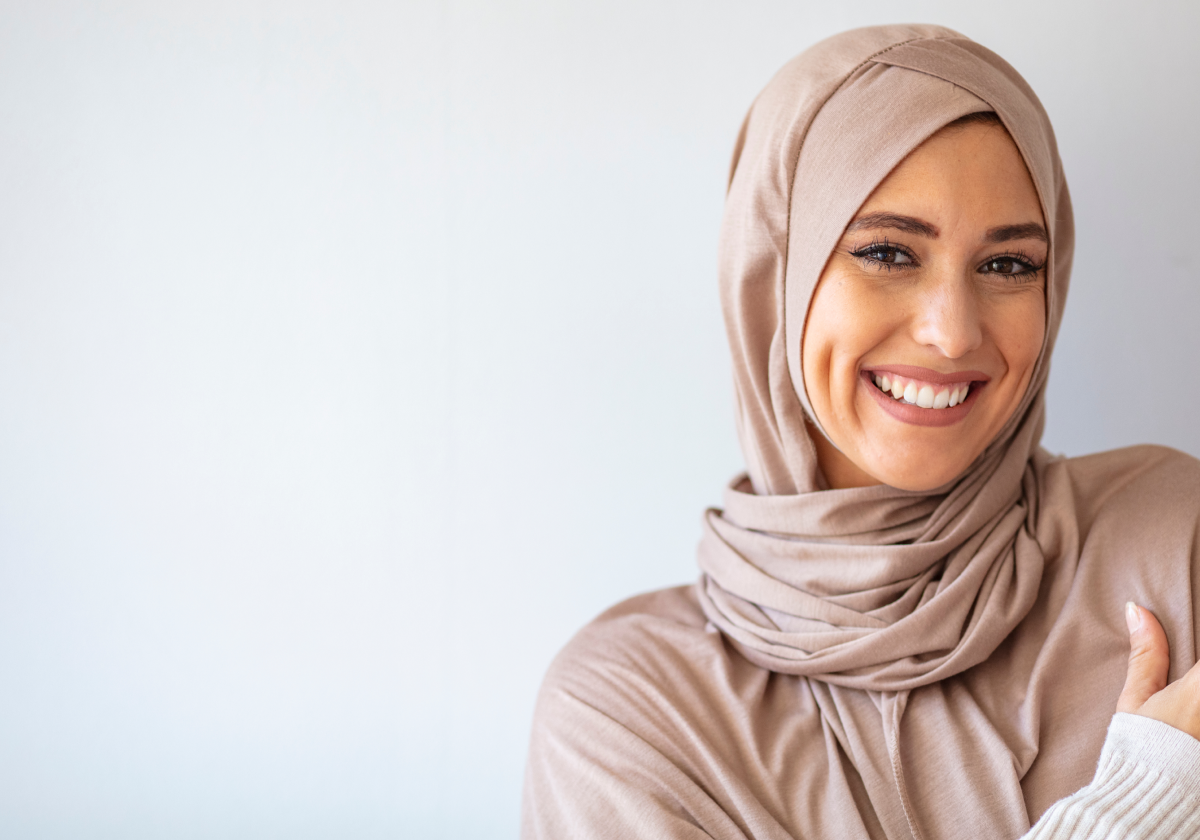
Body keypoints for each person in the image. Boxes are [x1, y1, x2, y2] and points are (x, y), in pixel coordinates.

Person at [521, 23, 1200, 840]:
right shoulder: (631, 711)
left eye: (1009, 265)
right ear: (776, 277)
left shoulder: (1170, 540)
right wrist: (1145, 799)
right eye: (887, 252)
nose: (953, 333)